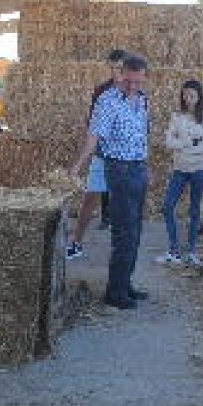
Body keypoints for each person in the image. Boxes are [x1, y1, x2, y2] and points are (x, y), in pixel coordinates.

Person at [70, 53, 151, 310]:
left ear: (144, 78)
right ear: (120, 74)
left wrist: (146, 166)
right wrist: (77, 165)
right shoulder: (106, 101)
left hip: (138, 167)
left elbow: (141, 136)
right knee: (124, 231)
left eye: (138, 82)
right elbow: (94, 137)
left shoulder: (143, 100)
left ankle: (125, 284)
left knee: (135, 229)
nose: (132, 86)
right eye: (128, 81)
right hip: (119, 169)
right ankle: (114, 293)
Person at [65, 49, 126, 260]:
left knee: (124, 203)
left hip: (125, 159)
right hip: (102, 153)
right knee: (89, 199)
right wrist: (79, 162)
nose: (116, 73)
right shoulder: (102, 92)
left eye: (120, 68)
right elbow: (93, 125)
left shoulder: (136, 92)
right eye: (112, 68)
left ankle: (122, 249)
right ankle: (76, 242)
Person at [156, 79, 203, 266]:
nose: (188, 99)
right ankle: (174, 249)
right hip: (179, 169)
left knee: (194, 210)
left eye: (192, 95)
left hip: (198, 169)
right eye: (185, 95)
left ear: (199, 97)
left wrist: (182, 146)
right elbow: (168, 141)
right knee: (168, 206)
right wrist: (186, 144)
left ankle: (192, 251)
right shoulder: (177, 116)